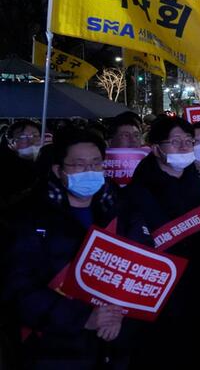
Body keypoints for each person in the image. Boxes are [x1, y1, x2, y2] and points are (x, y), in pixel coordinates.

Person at [4, 127, 150, 369]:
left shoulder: (123, 210)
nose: (89, 171)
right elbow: (17, 289)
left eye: (96, 164)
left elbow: (142, 265)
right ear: (58, 170)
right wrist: (82, 318)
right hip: (55, 350)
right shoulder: (27, 216)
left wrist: (120, 314)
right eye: (79, 164)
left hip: (115, 345)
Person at [121, 116, 200, 367]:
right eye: (175, 141)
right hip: (159, 291)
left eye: (188, 141)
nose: (183, 147)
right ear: (156, 148)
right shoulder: (136, 192)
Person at [0, 119, 43, 199]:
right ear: (10, 143)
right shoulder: (5, 170)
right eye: (22, 137)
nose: (31, 141)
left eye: (35, 136)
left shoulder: (47, 162)